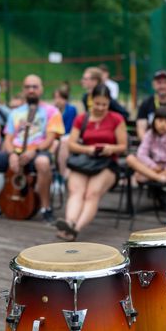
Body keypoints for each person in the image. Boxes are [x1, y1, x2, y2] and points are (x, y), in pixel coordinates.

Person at [0, 74, 64, 221]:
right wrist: (12, 154)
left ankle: (45, 208)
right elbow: (8, 138)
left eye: (35, 87)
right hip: (15, 151)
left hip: (38, 151)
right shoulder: (15, 113)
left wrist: (33, 151)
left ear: (41, 89)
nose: (31, 90)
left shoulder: (52, 111)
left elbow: (50, 139)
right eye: (28, 87)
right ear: (23, 90)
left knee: (43, 163)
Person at [55, 84, 127, 241]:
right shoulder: (82, 118)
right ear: (91, 101)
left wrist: (110, 148)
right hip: (85, 161)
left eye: (104, 104)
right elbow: (72, 144)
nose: (100, 107)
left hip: (107, 163)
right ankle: (69, 223)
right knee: (76, 191)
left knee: (91, 193)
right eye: (97, 103)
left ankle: (76, 228)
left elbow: (123, 146)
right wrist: (88, 149)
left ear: (109, 103)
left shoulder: (116, 119)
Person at [126, 105, 166, 185]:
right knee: (130, 158)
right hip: (153, 166)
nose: (163, 124)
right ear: (154, 121)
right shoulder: (150, 134)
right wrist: (153, 166)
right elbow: (141, 154)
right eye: (160, 120)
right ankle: (161, 178)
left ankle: (154, 177)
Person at [53, 85, 78, 181]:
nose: (57, 100)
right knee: (54, 144)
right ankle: (56, 169)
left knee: (63, 142)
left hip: (67, 135)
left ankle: (62, 173)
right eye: (55, 98)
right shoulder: (54, 110)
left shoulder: (71, 109)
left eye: (60, 98)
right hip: (56, 136)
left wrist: (59, 135)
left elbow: (69, 127)